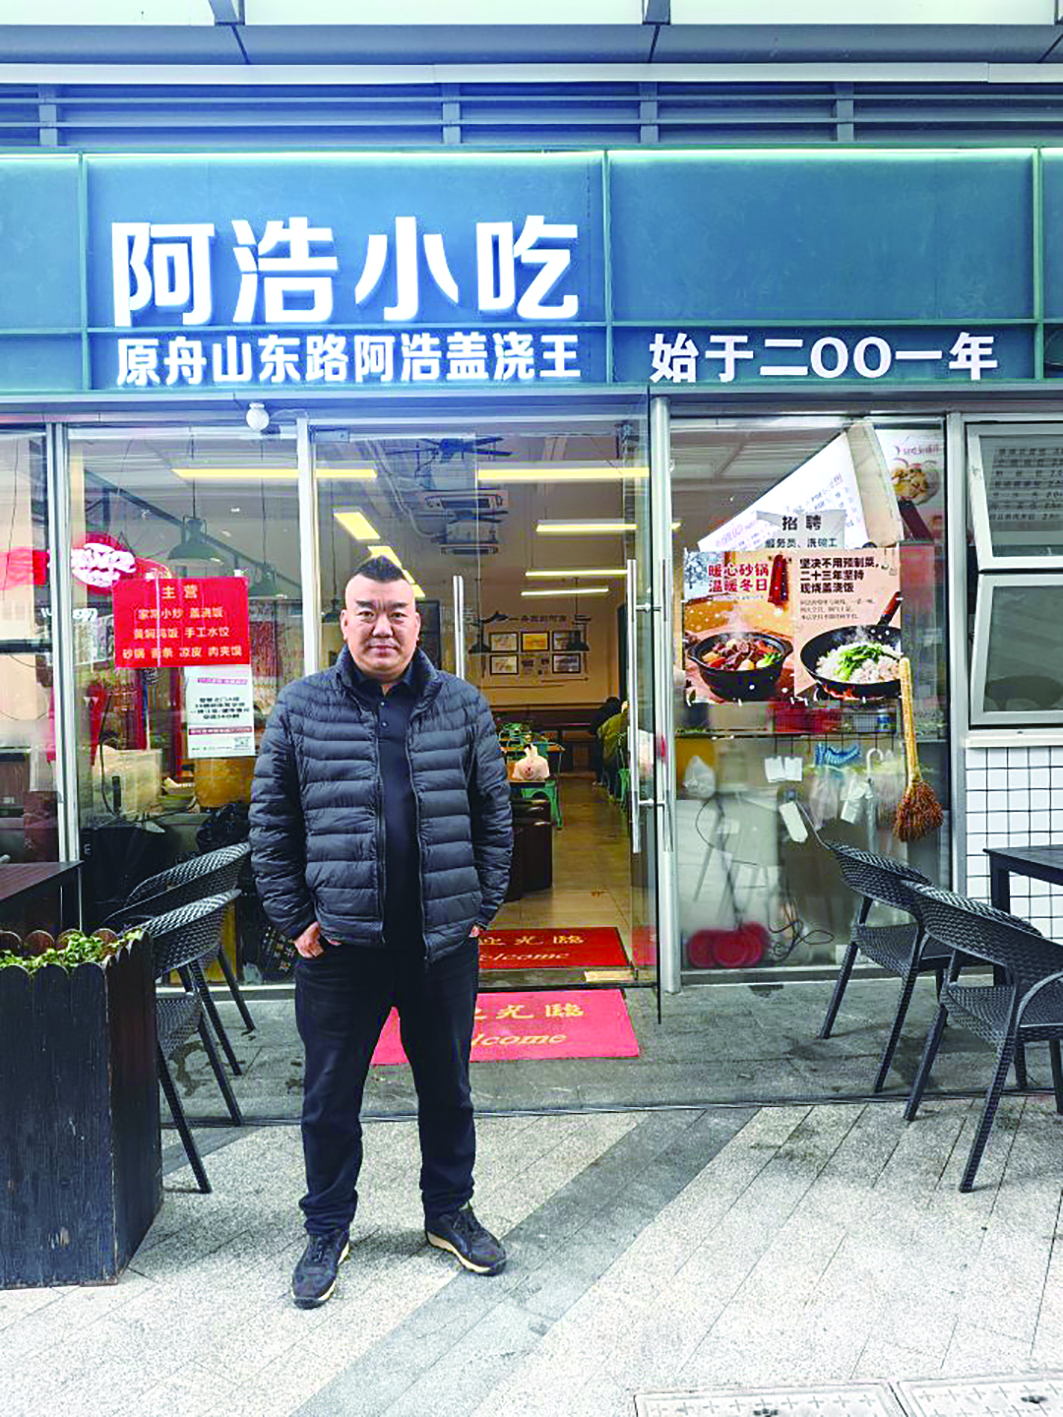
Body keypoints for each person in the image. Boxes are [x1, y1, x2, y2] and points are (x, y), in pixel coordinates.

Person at [250, 555, 513, 1309]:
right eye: (366, 611)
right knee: (329, 1099)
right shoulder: (301, 707)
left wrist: (481, 908)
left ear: (417, 622)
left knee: (448, 1089)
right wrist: (295, 918)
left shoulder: (461, 704)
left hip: (440, 945)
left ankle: (449, 1212)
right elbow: (271, 824)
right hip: (340, 947)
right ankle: (327, 1227)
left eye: (396, 612)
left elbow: (494, 815)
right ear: (344, 620)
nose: (381, 626)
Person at [588, 695, 622, 784]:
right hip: (620, 744)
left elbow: (592, 730)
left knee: (599, 754)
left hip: (603, 745)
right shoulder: (621, 715)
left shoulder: (600, 712)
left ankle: (600, 779)